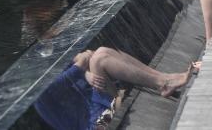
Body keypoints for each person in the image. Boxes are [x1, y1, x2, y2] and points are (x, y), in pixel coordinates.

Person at [35, 47, 192, 130]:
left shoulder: (44, 63)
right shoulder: (36, 93)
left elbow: (83, 55)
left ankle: (164, 79)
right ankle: (164, 83)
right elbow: (81, 61)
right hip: (98, 124)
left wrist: (84, 72)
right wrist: (81, 69)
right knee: (99, 59)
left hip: (102, 106)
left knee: (102, 52)